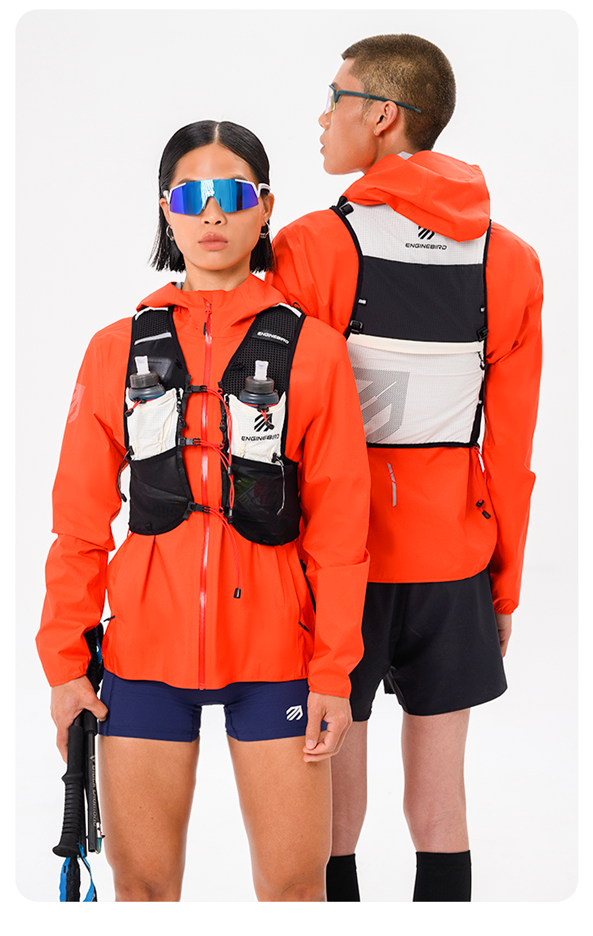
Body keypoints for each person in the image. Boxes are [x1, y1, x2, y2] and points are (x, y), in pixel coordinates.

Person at [36, 119, 371, 902]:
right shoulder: (115, 347)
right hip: (142, 656)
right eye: (191, 196)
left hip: (278, 656)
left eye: (233, 194)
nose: (213, 213)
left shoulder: (316, 350)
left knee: (294, 890)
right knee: (144, 890)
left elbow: (340, 528)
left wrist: (332, 672)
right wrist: (65, 666)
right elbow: (79, 524)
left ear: (265, 208)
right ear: (167, 210)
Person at [269, 34, 543, 902]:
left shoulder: (310, 246)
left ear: (382, 115)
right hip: (453, 559)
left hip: (335, 564)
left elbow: (277, 435)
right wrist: (503, 587)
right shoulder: (510, 260)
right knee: (440, 802)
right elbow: (510, 449)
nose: (322, 116)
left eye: (335, 97)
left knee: (328, 805)